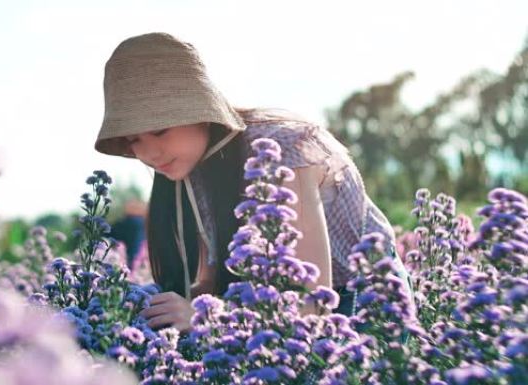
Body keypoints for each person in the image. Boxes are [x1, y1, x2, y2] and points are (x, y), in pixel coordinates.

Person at [94, 32, 412, 332]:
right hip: (273, 311)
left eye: (160, 131)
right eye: (134, 140)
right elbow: (208, 283)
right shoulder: (189, 170)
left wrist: (204, 318)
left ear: (199, 111)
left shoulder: (280, 148)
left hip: (367, 298)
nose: (148, 153)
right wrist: (134, 305)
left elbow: (312, 302)